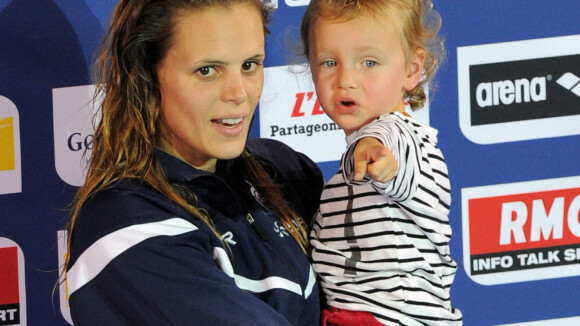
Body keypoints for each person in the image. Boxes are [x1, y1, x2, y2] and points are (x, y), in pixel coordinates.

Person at [62, 0, 325, 325]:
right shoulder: (126, 227)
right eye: (207, 70)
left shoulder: (282, 170)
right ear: (146, 75)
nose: (239, 93)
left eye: (249, 65)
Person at [300, 0, 463, 325]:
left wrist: (374, 151)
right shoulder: (348, 166)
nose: (346, 79)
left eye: (369, 62)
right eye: (329, 62)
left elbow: (389, 143)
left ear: (411, 69)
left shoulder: (403, 137)